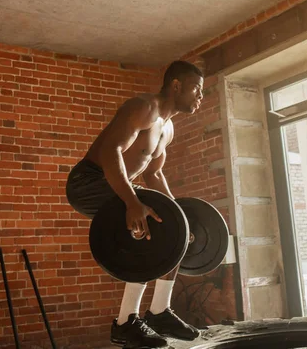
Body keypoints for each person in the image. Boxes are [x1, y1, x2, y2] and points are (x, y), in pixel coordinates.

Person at [65, 60, 204, 348]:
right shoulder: (144, 108)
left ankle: (159, 312)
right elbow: (109, 151)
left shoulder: (168, 128)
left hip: (119, 186)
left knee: (173, 227)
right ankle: (125, 322)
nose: (200, 96)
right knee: (154, 224)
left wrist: (179, 215)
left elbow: (153, 173)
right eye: (196, 89)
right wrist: (131, 202)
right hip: (87, 182)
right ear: (176, 85)